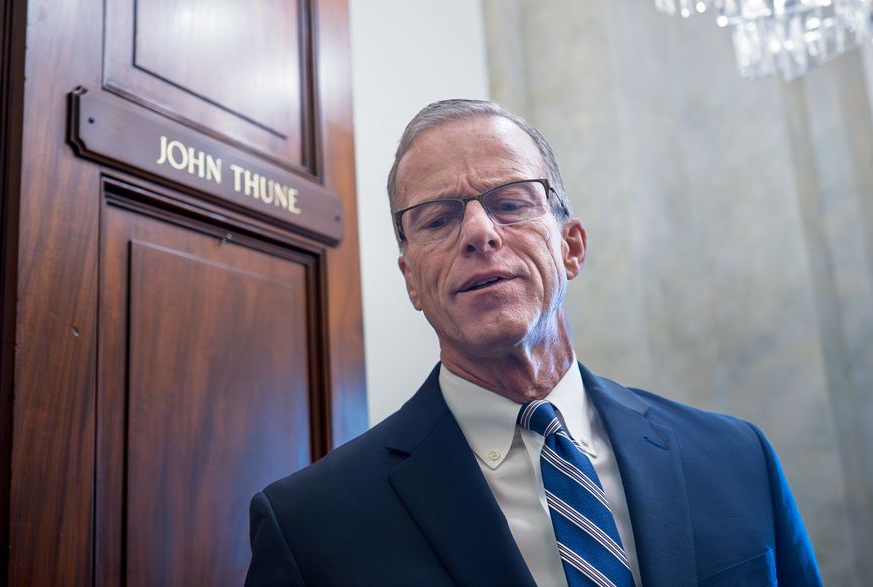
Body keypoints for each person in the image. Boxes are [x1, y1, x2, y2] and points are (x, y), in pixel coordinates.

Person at [245, 99, 822, 586]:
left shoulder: (738, 457)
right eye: (437, 219)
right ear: (411, 281)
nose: (478, 232)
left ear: (571, 246)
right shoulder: (309, 526)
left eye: (511, 203)